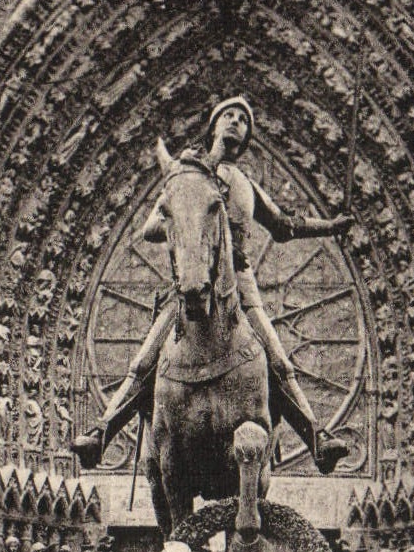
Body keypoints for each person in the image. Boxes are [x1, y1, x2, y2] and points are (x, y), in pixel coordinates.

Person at [71, 96, 352, 473]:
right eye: (229, 116)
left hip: (240, 283)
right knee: (144, 361)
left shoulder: (244, 184)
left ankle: (318, 439)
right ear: (214, 125)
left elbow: (286, 226)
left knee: (279, 360)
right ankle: (100, 434)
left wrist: (331, 227)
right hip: (192, 280)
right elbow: (151, 227)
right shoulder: (189, 174)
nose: (236, 122)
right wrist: (183, 221)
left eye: (243, 120)